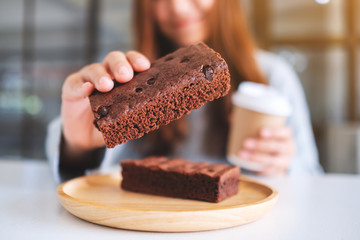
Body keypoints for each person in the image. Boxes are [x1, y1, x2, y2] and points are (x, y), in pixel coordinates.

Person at [46, 0, 323, 183]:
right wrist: (78, 146)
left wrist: (285, 166)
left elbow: (312, 177)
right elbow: (89, 176)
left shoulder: (272, 75)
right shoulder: (130, 78)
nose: (177, 7)